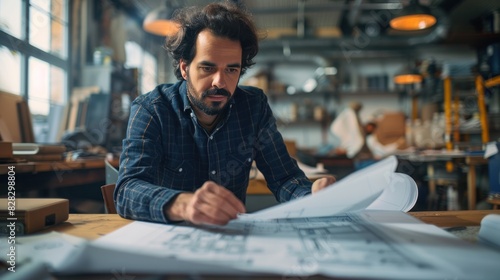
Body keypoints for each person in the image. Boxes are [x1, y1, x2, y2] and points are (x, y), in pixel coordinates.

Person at [114, 2, 335, 226]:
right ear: (184, 68)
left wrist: (312, 196)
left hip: (231, 240)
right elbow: (126, 190)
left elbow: (285, 178)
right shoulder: (152, 109)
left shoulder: (253, 107)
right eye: (208, 68)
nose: (220, 82)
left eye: (231, 69)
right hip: (168, 242)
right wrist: (184, 205)